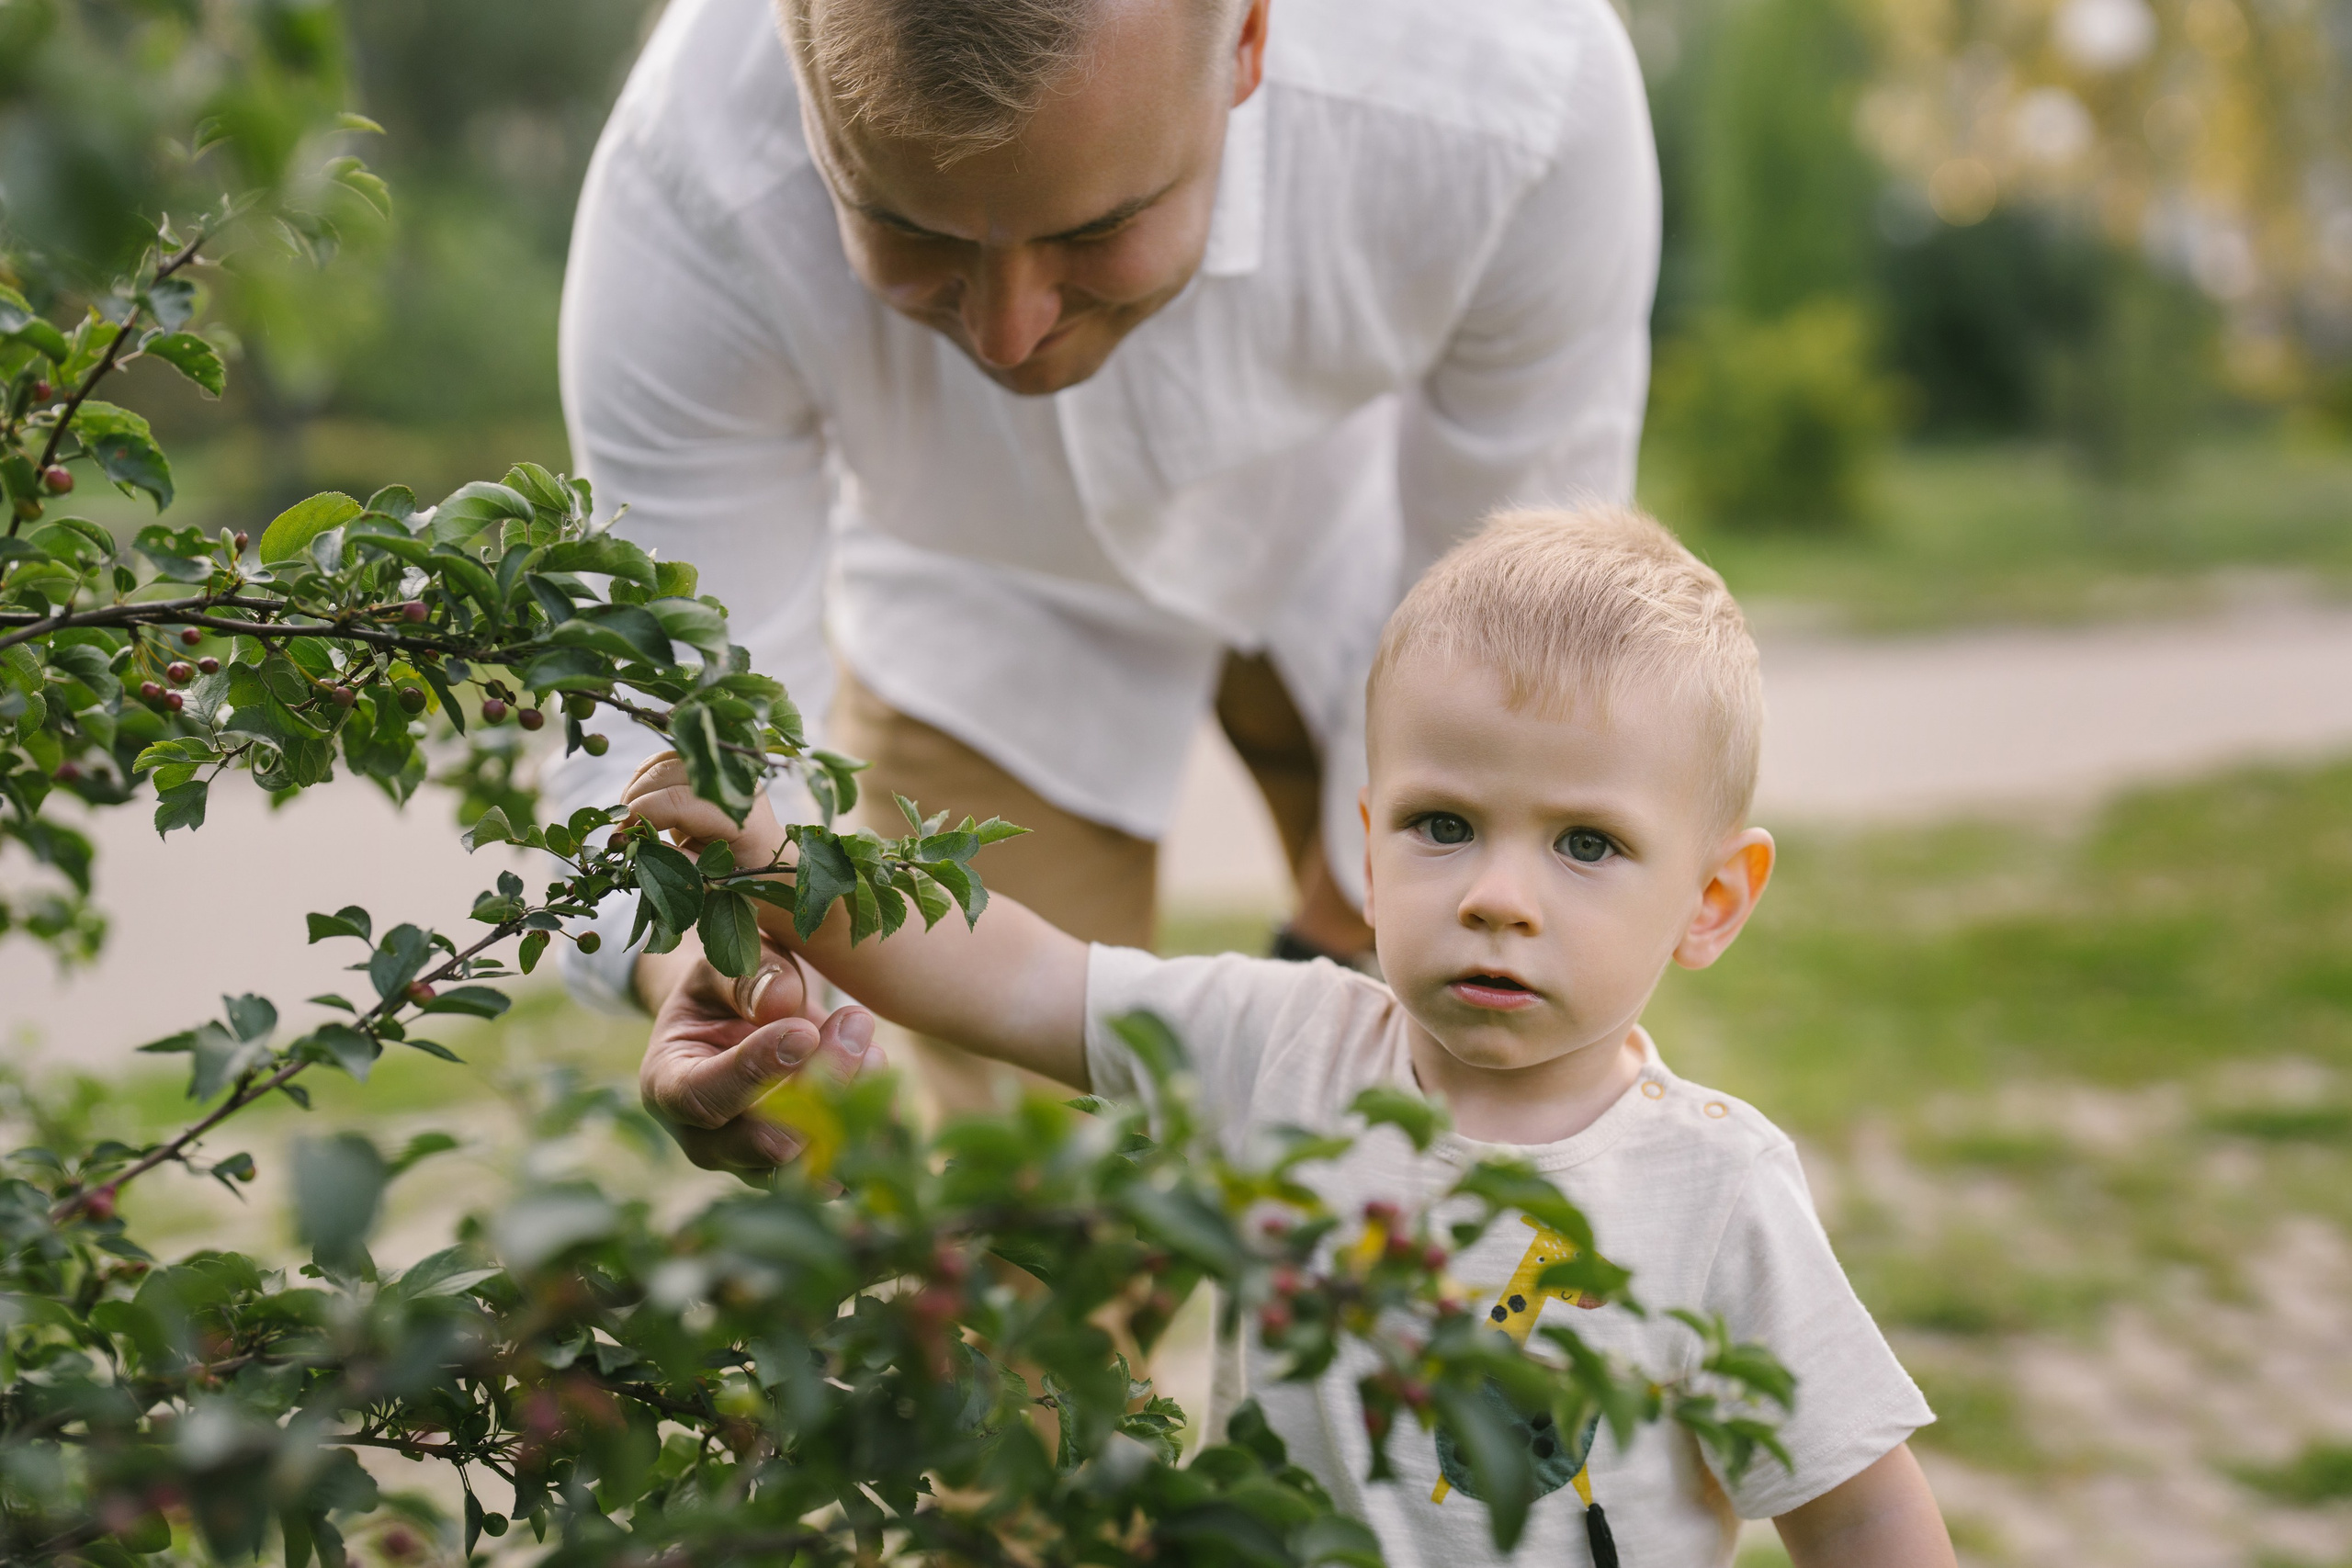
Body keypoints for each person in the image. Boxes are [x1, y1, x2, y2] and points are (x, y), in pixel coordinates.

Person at [618, 504, 1957, 1567]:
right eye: (1444, 825)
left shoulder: (1716, 1190)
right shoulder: (1279, 1045)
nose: (1497, 894)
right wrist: (782, 868)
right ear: (1366, 852)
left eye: (1587, 843)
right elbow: (1014, 975)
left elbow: (1857, 1514)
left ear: (1711, 899)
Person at [551, 0, 1661, 1167]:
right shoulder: (692, 179)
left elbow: (1519, 628)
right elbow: (667, 724)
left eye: (1099, 228)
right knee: (1025, 1210)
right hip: (975, 599)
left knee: (1475, 1135)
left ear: (1247, 40)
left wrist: (1334, 961)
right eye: (909, 228)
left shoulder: (1514, 90)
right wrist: (713, 963)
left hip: (1364, 554)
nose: (1008, 334)